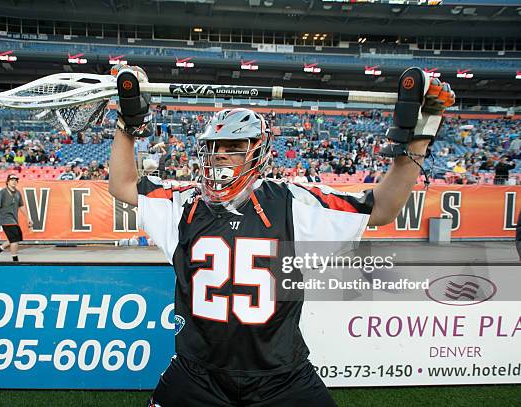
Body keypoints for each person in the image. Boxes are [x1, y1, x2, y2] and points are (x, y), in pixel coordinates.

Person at [108, 66, 454, 406]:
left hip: (280, 377)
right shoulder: (184, 204)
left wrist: (419, 136)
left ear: (257, 151)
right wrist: (127, 124)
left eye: (233, 147)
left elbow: (382, 208)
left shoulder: (292, 203)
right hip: (197, 372)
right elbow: (122, 185)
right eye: (214, 147)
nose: (220, 156)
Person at [0, 174, 32, 262]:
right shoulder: (2, 192)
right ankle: (15, 260)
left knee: (14, 239)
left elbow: (22, 206)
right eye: (12, 180)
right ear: (8, 181)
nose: (14, 181)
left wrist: (28, 218)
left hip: (14, 220)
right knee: (14, 240)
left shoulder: (18, 193)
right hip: (6, 219)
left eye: (15, 180)